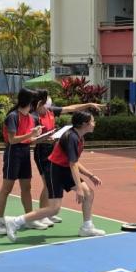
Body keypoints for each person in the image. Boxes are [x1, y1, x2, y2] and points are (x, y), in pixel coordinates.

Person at [4, 111, 105, 242]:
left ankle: (87, 227)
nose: (94, 123)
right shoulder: (71, 138)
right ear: (84, 124)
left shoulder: (79, 137)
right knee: (53, 209)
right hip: (55, 171)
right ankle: (15, 221)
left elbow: (74, 162)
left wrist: (90, 175)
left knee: (88, 193)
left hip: (65, 169)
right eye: (92, 121)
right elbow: (73, 164)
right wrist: (78, 188)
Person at [31, 90, 104, 227]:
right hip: (42, 151)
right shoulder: (34, 116)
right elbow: (31, 139)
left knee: (55, 187)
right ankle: (42, 215)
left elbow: (71, 108)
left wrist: (88, 104)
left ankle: (49, 213)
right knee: (47, 184)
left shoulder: (51, 112)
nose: (48, 107)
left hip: (54, 149)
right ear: (39, 104)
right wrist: (44, 138)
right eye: (46, 104)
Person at [0, 88, 46, 235]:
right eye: (36, 101)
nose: (38, 104)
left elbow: (30, 140)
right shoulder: (13, 116)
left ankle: (29, 219)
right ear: (29, 101)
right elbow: (12, 140)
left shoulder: (31, 117)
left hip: (25, 152)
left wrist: (44, 137)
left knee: (26, 187)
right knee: (7, 188)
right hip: (13, 152)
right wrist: (31, 134)